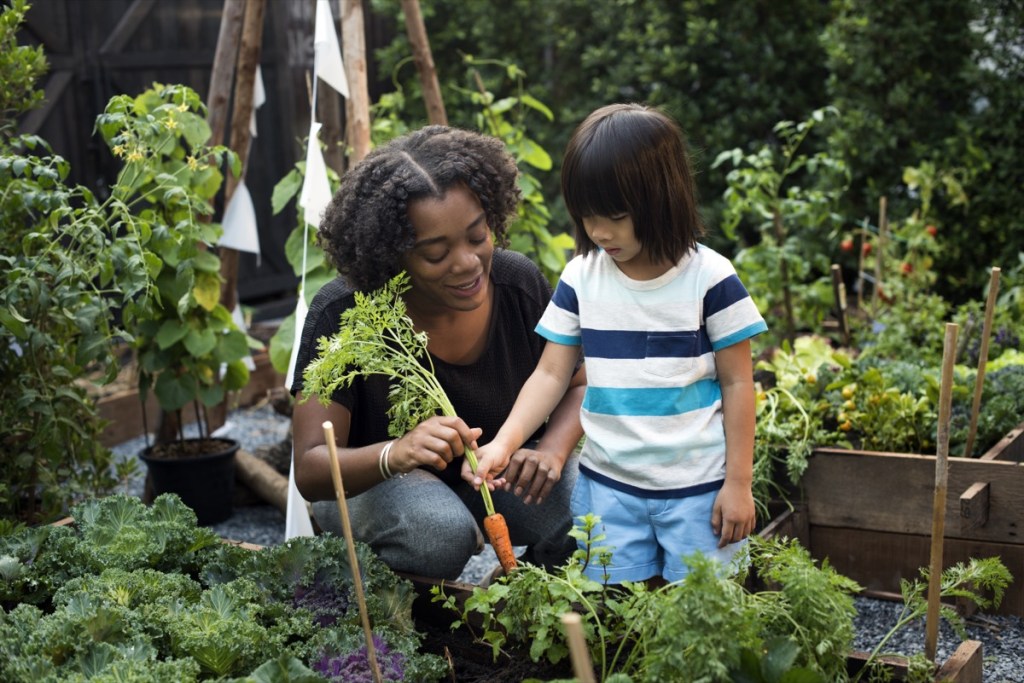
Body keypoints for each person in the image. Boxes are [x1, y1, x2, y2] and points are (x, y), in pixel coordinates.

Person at [466, 103, 767, 584]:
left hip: (698, 490)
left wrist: (738, 483)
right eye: (587, 217)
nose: (600, 232)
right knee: (615, 609)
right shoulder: (581, 278)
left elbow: (738, 384)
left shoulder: (711, 280)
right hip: (608, 489)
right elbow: (550, 373)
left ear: (663, 199)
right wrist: (505, 441)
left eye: (616, 215)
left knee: (703, 613)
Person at [290, 125, 587, 581]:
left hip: (495, 473)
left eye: (476, 235)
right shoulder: (345, 312)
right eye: (435, 253)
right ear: (392, 255)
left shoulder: (518, 286)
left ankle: (520, 592)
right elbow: (311, 469)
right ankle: (376, 601)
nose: (467, 262)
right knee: (439, 534)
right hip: (376, 486)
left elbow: (577, 384)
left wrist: (549, 450)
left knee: (594, 499)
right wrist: (396, 452)